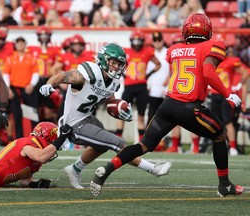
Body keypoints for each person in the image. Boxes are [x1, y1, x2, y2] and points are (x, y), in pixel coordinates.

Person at [90, 13, 244, 197]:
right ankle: (225, 185)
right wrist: (228, 95)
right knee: (219, 135)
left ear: (186, 30)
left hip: (168, 106)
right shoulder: (214, 45)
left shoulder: (174, 49)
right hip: (189, 107)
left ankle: (104, 172)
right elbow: (208, 72)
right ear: (207, 30)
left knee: (143, 145)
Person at [39, 43, 172, 189]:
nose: (116, 67)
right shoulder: (89, 73)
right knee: (118, 143)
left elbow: (110, 102)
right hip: (73, 125)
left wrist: (121, 111)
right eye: (113, 62)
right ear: (103, 60)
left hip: (88, 118)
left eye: (119, 64)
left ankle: (74, 169)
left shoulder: (114, 81)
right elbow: (63, 76)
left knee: (101, 146)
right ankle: (153, 169)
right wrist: (49, 84)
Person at [0, 122, 72, 187]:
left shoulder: (35, 157)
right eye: (52, 143)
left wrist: (34, 184)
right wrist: (61, 138)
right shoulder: (30, 145)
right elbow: (42, 157)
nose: (53, 149)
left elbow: (25, 181)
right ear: (46, 138)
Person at [116, 30, 161, 141]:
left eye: (138, 41)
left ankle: (141, 141)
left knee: (141, 116)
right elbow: (116, 63)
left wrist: (148, 74)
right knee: (121, 113)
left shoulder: (147, 52)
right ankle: (118, 139)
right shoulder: (126, 52)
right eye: (134, 41)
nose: (136, 43)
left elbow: (158, 64)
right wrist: (122, 74)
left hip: (141, 87)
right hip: (129, 86)